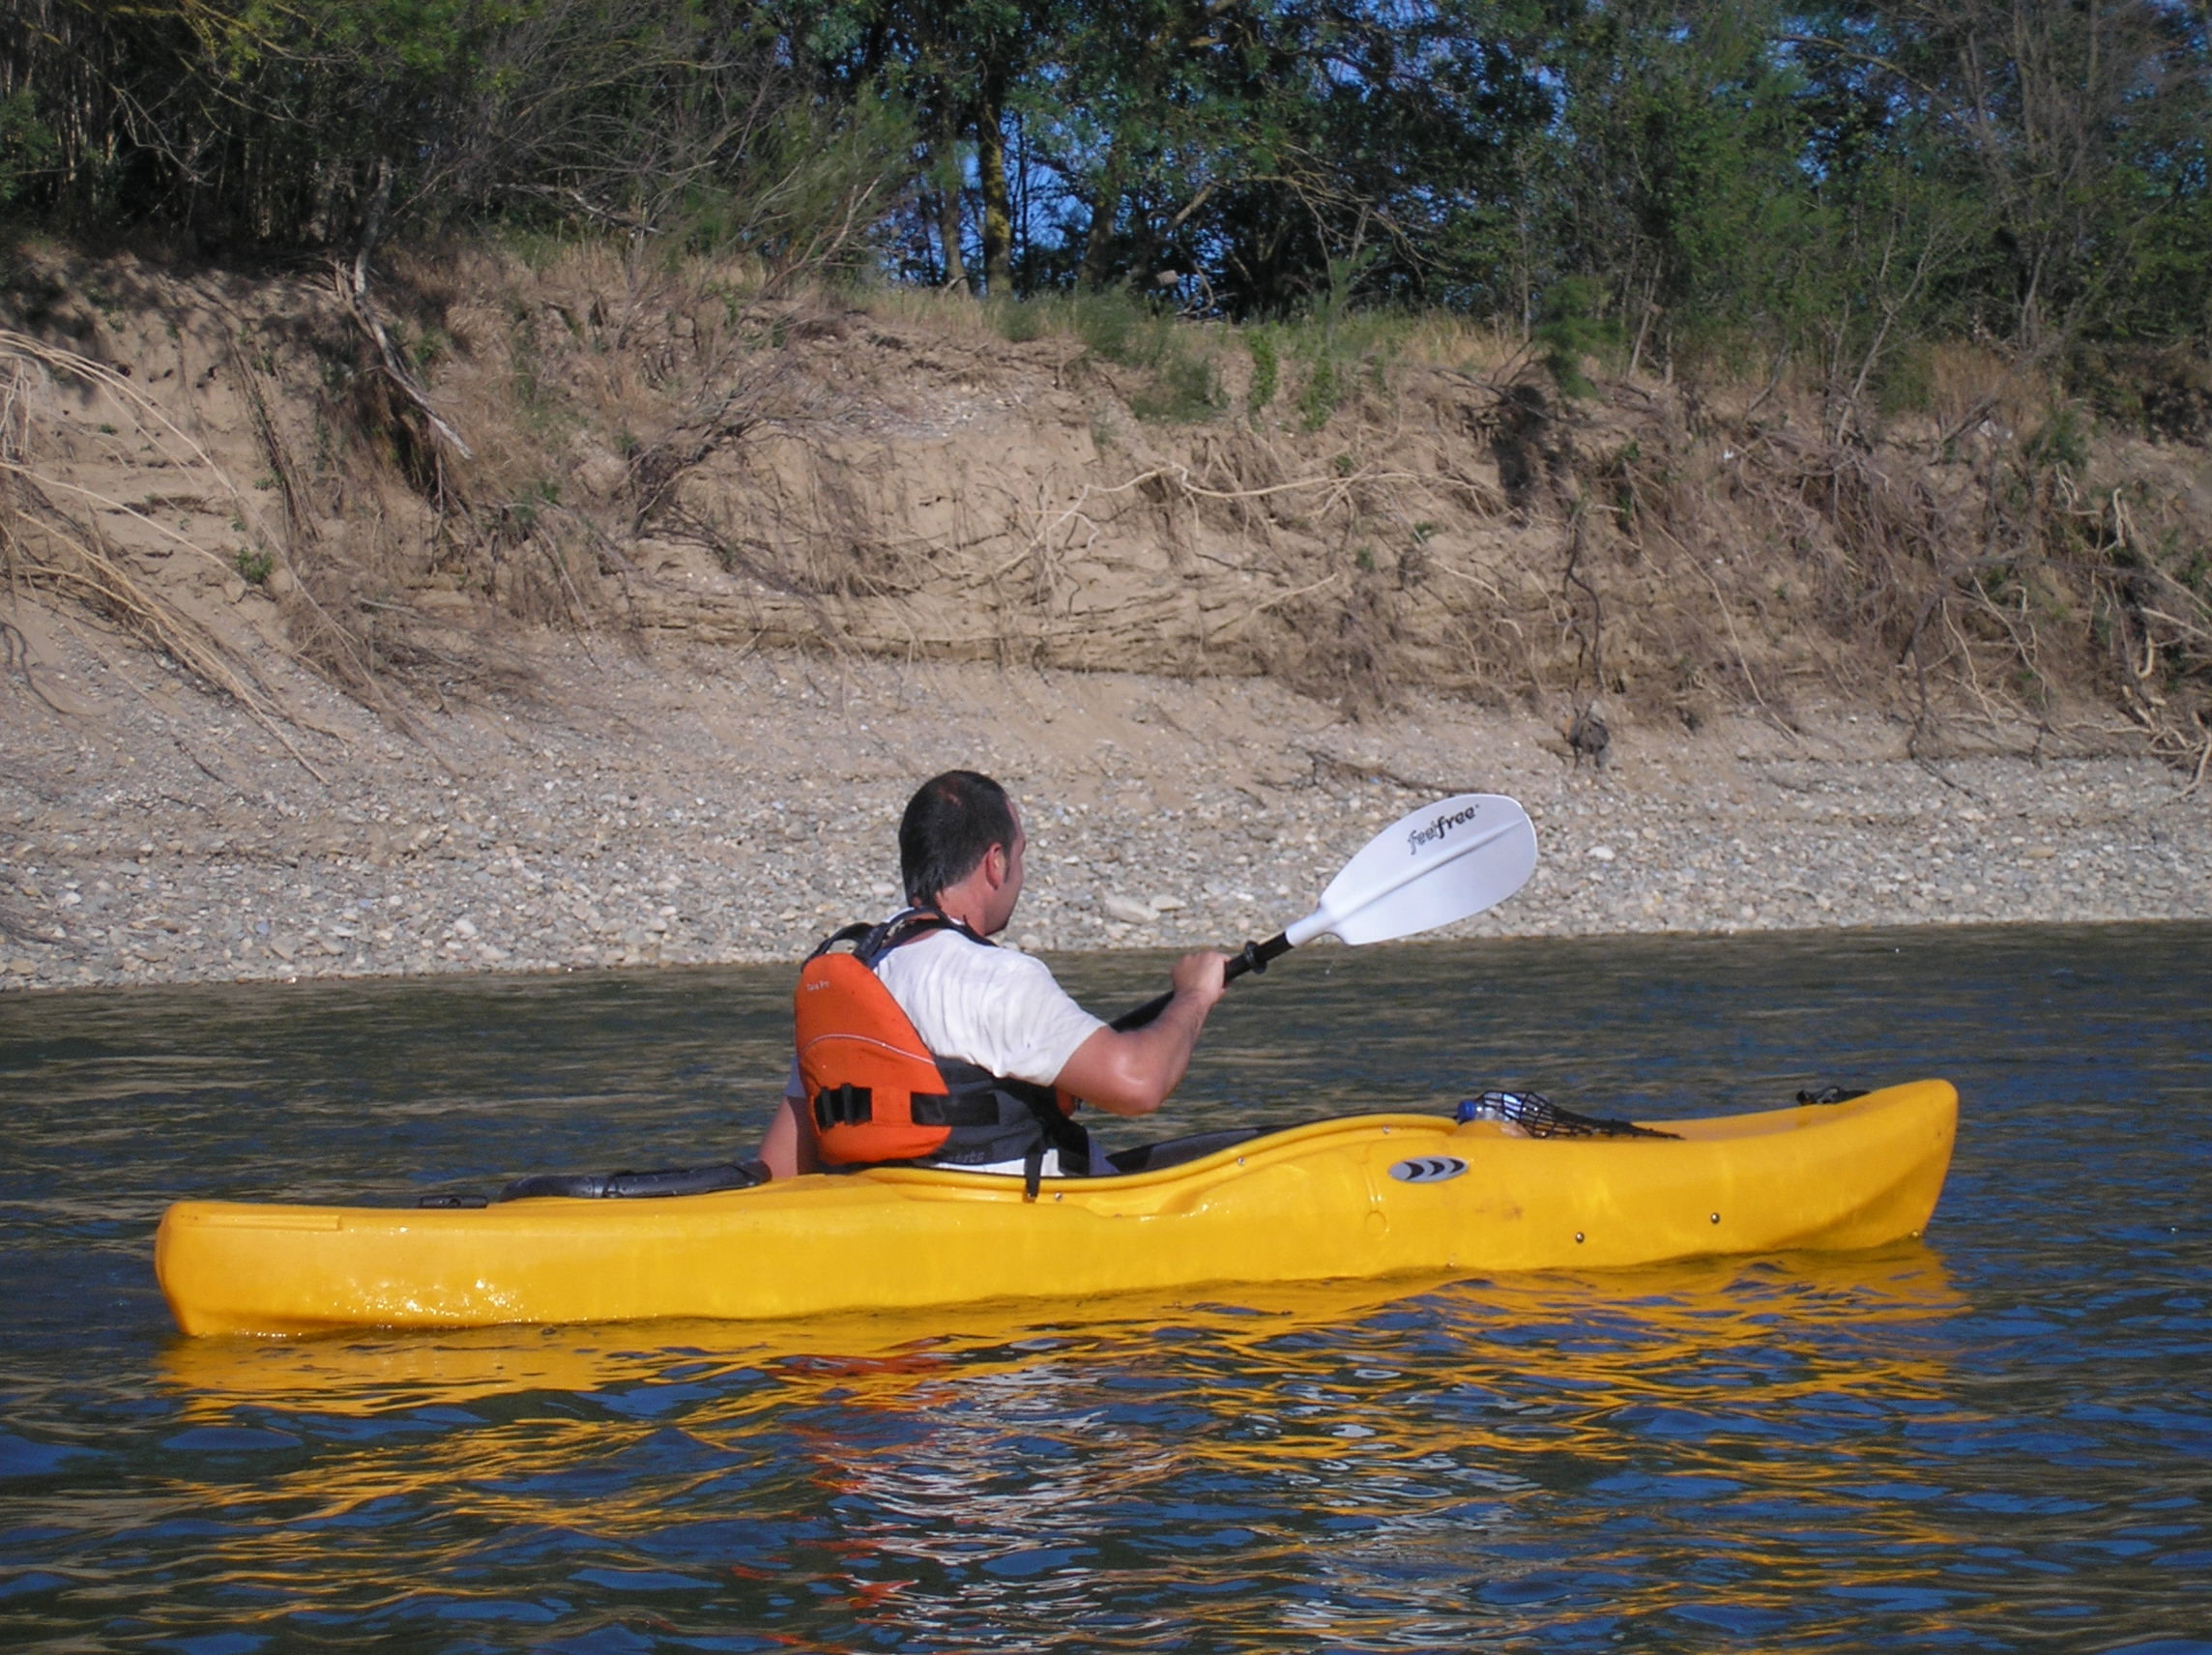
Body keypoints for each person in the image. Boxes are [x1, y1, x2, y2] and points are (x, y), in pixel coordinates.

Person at [757, 769, 1227, 1180]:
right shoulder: (1001, 979)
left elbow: (781, 1166)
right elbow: (1139, 1084)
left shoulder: (849, 984)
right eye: (1020, 857)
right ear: (995, 862)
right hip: (1013, 1225)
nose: (1019, 875)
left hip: (895, 1218)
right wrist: (1194, 995)